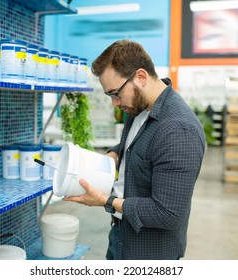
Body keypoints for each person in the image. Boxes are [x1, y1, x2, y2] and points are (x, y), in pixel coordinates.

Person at [63, 39, 206, 260]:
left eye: (116, 93)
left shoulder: (178, 129)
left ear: (140, 77)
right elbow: (132, 145)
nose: (115, 104)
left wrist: (106, 201)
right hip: (122, 235)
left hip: (150, 252)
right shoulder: (139, 108)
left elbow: (167, 213)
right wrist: (113, 156)